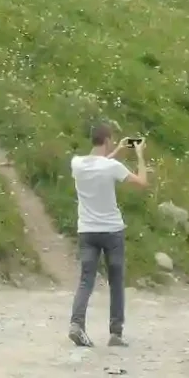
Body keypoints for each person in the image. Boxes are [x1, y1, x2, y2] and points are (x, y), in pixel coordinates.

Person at [69, 122, 148, 348]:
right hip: (112, 231)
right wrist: (140, 155)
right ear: (107, 140)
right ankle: (115, 333)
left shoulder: (77, 164)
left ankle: (76, 324)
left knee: (86, 280)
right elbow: (142, 182)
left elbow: (99, 164)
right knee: (116, 281)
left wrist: (118, 151)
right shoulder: (112, 167)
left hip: (87, 231)